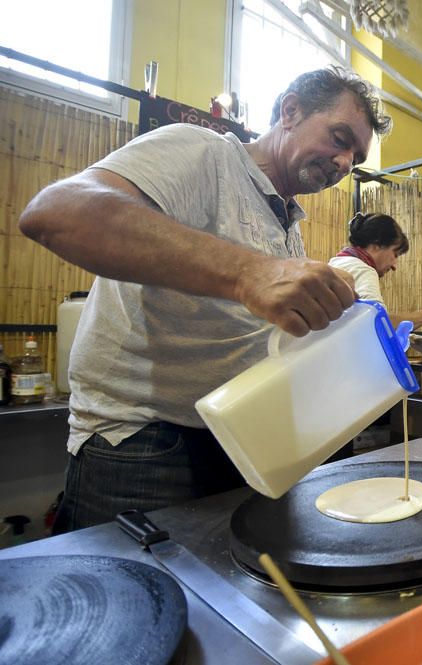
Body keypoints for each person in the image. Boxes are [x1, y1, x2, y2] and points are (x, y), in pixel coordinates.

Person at [18, 66, 392, 533]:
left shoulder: (288, 224)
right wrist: (250, 273)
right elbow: (57, 214)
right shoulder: (202, 152)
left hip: (232, 437)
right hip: (143, 444)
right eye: (340, 138)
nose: (343, 163)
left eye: (354, 157)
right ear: (291, 111)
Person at [329, 211, 422, 341]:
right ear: (377, 244)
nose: (394, 266)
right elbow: (377, 324)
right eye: (395, 254)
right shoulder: (362, 270)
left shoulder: (336, 263)